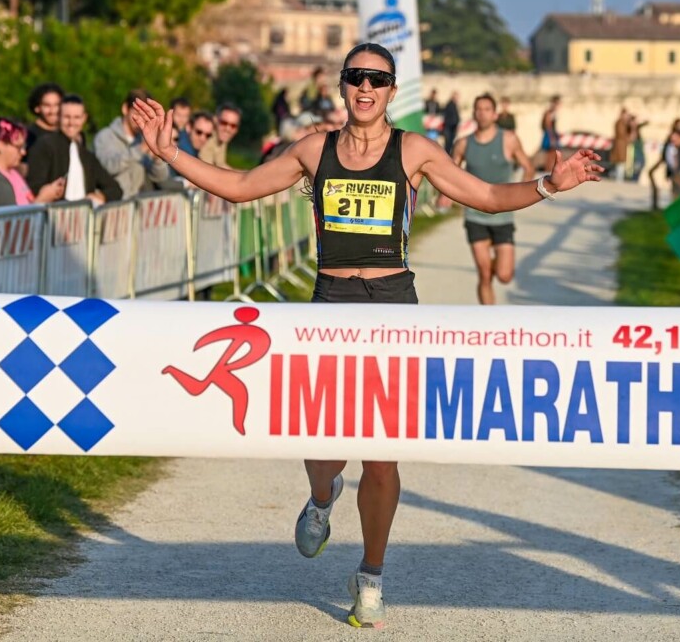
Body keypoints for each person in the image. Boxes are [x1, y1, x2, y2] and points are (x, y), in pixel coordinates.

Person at [131, 42, 602, 630]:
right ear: (342, 85)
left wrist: (549, 184)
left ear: (391, 90)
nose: (365, 88)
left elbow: (485, 196)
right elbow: (240, 185)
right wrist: (170, 152)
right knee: (323, 446)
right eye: (356, 77)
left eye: (377, 80)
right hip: (331, 304)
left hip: (393, 308)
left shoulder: (414, 151)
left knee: (380, 459)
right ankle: (321, 498)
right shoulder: (315, 149)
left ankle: (372, 577)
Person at [452, 93, 535, 305]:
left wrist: (522, 194)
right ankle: (488, 319)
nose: (482, 113)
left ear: (495, 114)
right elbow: (449, 174)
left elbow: (528, 167)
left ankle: (495, 260)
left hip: (503, 216)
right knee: (484, 274)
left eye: (487, 109)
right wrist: (445, 196)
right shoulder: (463, 144)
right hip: (475, 215)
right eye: (478, 109)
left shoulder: (508, 140)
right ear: (473, 113)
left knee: (505, 276)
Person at [27, 95, 123, 205]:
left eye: (76, 117)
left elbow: (115, 189)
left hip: (83, 214)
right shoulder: (44, 146)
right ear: (59, 117)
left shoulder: (86, 155)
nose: (71, 123)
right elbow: (34, 187)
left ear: (84, 118)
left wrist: (100, 196)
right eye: (67, 117)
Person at [94, 89, 173, 196]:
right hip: (115, 203)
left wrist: (157, 158)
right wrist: (140, 149)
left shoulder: (144, 139)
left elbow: (160, 178)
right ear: (125, 109)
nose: (140, 119)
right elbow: (108, 167)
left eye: (145, 115)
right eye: (137, 113)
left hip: (139, 203)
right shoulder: (105, 136)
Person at [0, 118, 65, 208]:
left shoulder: (11, 172)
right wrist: (42, 199)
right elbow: (14, 217)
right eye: (18, 147)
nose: (23, 152)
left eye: (23, 147)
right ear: (0, 145)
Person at [198, 103, 242, 168]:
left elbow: (221, 165)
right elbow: (208, 170)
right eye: (224, 123)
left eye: (233, 126)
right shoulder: (207, 137)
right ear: (215, 120)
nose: (228, 129)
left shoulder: (221, 139)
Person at [25, 82, 64, 152]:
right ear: (37, 108)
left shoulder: (67, 135)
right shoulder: (28, 136)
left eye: (57, 105)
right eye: (47, 106)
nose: (53, 111)